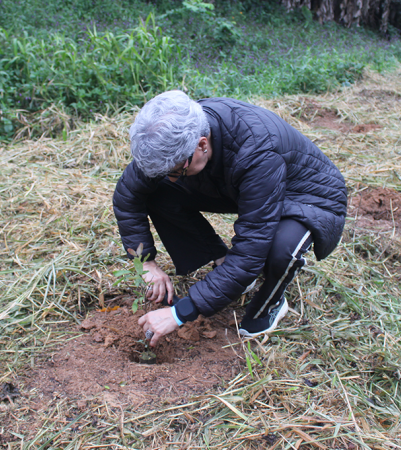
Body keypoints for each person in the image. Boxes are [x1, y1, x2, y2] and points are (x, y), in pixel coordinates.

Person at [112, 90, 347, 347]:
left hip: (307, 197)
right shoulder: (172, 133)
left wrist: (180, 313)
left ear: (202, 144)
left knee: (281, 249)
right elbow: (128, 194)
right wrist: (144, 262)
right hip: (241, 185)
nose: (170, 177)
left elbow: (251, 248)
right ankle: (223, 263)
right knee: (159, 192)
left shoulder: (258, 152)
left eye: (177, 171)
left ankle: (271, 302)